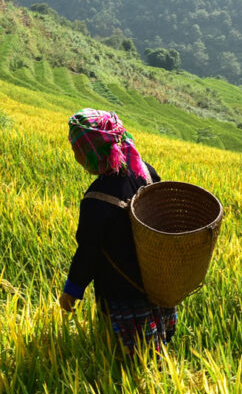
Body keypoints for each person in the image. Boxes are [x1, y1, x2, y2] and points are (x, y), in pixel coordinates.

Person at [58, 109, 177, 353]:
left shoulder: (97, 199)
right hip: (155, 281)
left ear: (91, 152)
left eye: (77, 150)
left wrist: (72, 291)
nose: (75, 156)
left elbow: (88, 254)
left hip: (122, 291)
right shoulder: (144, 170)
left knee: (131, 359)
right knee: (159, 346)